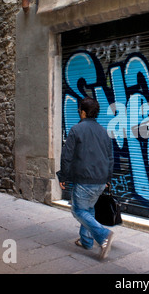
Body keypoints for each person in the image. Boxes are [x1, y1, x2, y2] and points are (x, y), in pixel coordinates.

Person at [57, 96, 114, 260]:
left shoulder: (76, 130)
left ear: (82, 112)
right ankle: (86, 241)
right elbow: (110, 158)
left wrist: (63, 176)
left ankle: (104, 235)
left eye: (79, 110)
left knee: (78, 210)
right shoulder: (104, 132)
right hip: (101, 180)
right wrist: (108, 178)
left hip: (85, 180)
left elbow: (67, 156)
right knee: (89, 209)